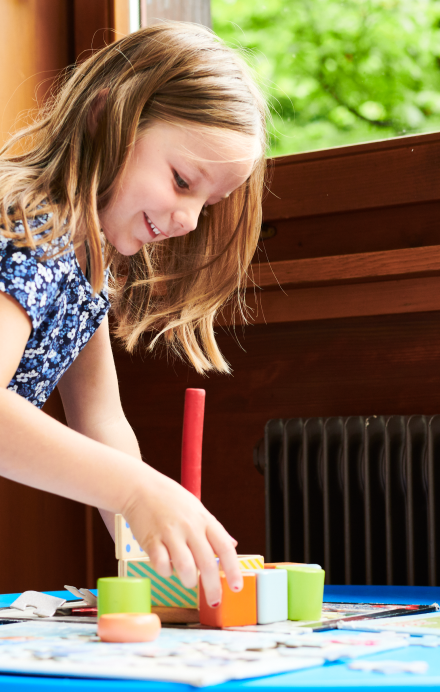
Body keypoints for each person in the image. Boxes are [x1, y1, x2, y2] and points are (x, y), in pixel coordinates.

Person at [0, 22, 267, 608]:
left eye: (208, 202)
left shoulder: (84, 260)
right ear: (107, 116)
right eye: (181, 181)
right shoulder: (28, 226)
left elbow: (101, 420)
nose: (190, 220)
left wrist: (153, 558)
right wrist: (140, 493)